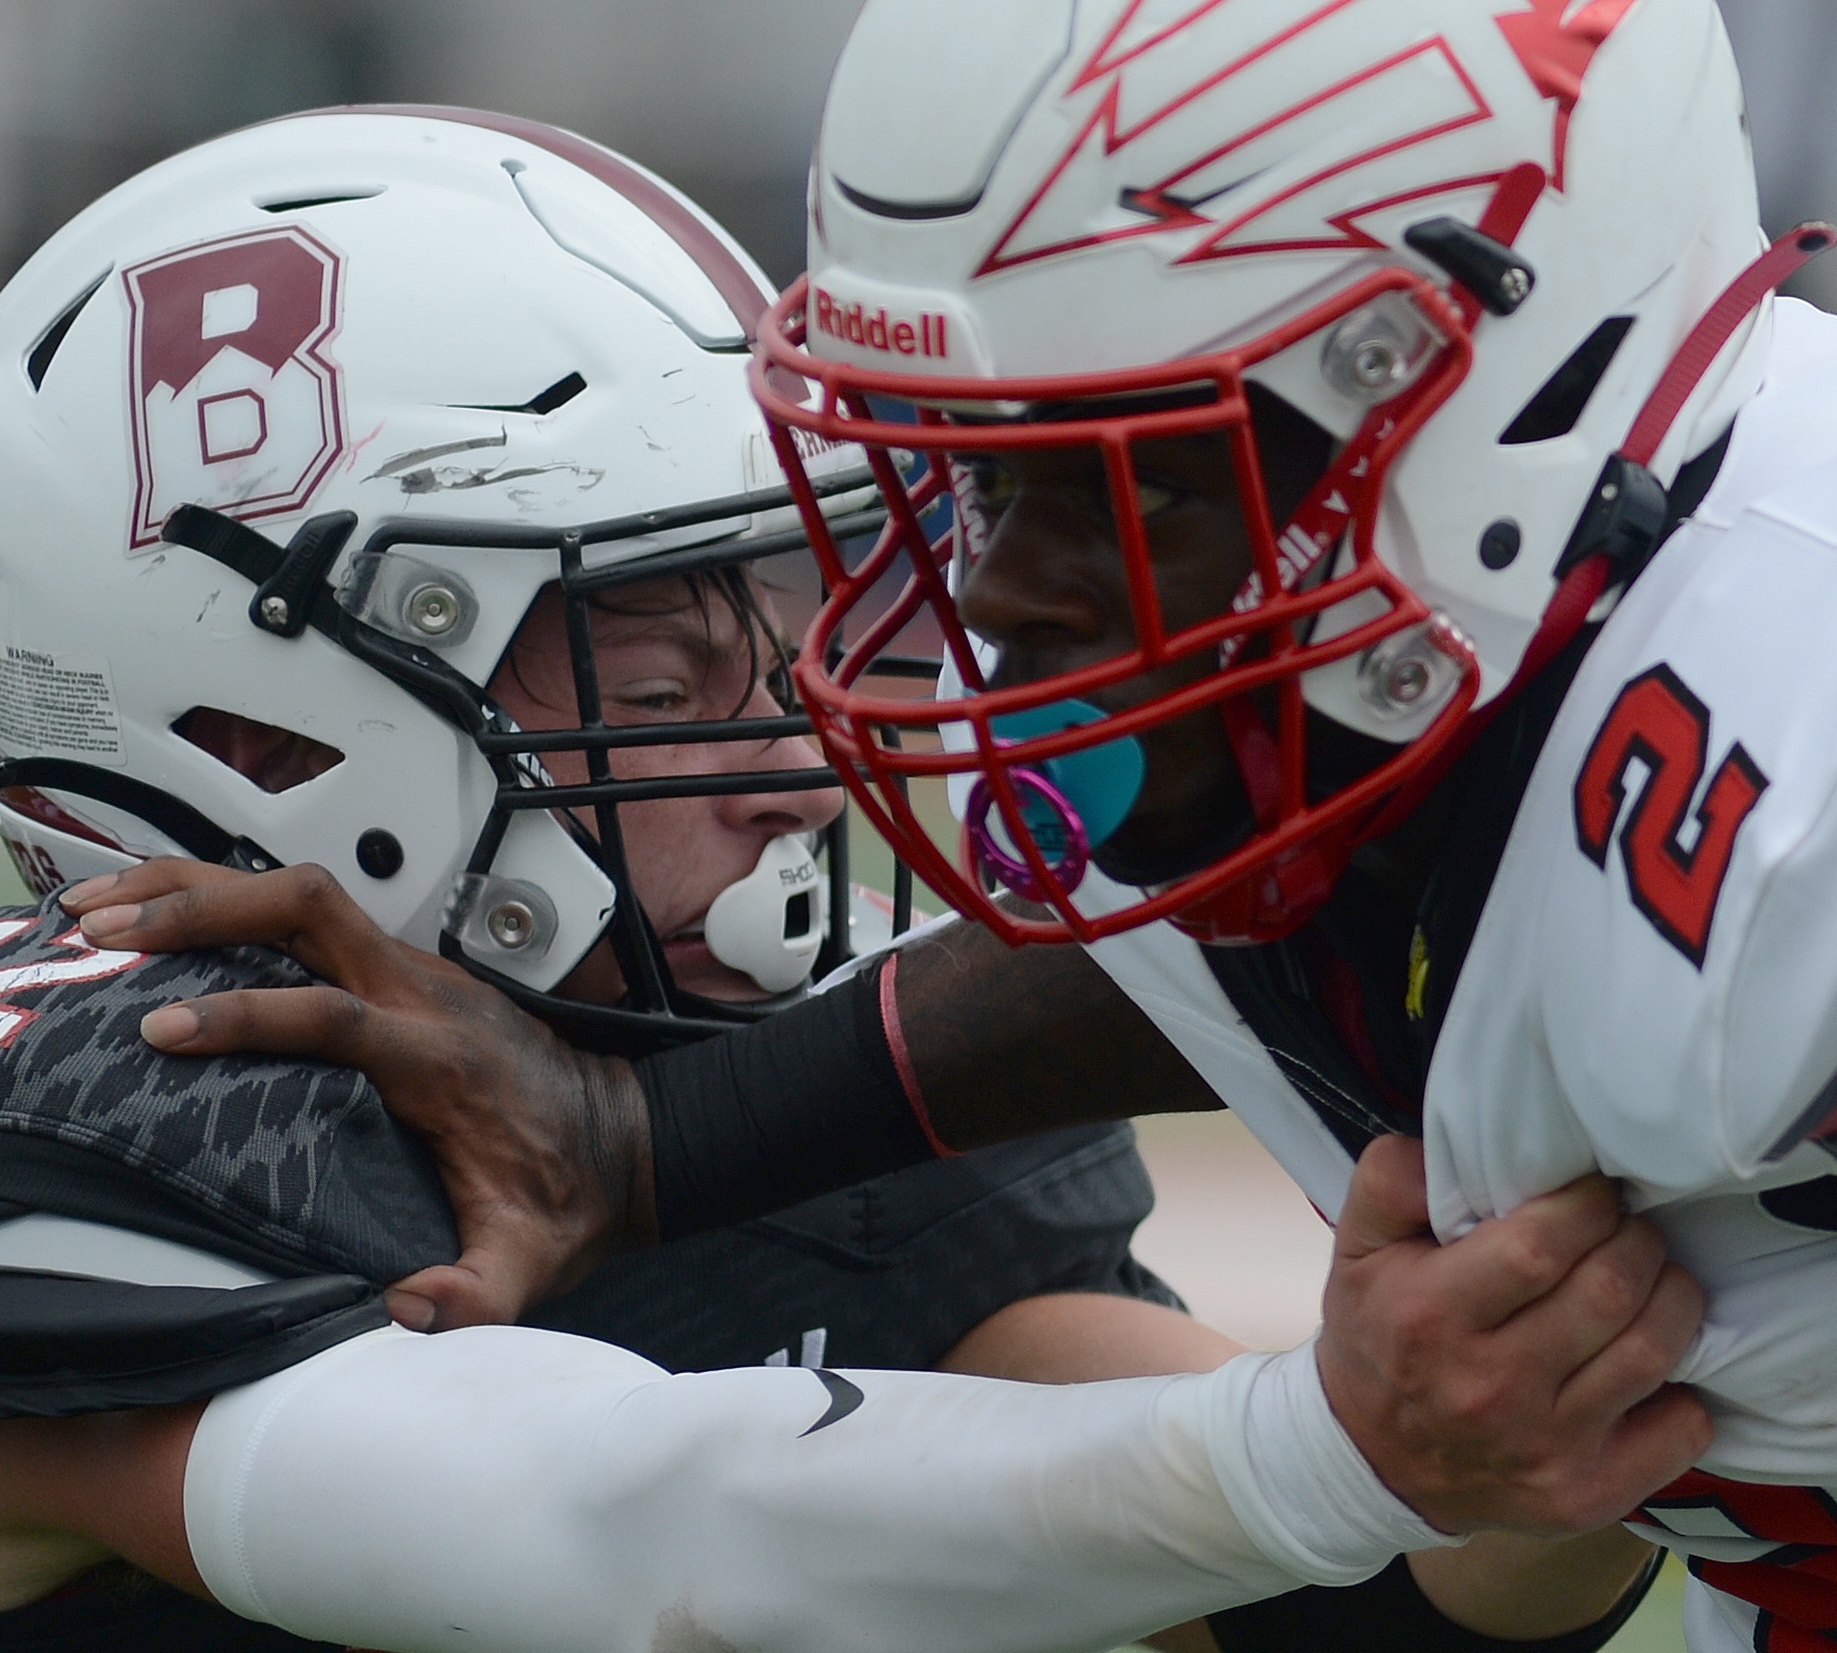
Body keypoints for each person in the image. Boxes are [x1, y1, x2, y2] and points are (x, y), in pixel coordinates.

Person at [6, 1, 1837, 1648]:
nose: (968, 598)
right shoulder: (1375, 675)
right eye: (960, 477)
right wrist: (672, 1135)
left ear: (1452, 400)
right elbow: (1211, 938)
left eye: (1080, 478)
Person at [0, 105, 1682, 1652]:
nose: (804, 772)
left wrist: (1572, 1385)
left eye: (793, 660)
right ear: (265, 747)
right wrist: (1322, 1456)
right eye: (655, 696)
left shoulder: (753, 1079)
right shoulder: (117, 1097)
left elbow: (1350, 1613)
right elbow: (603, 1529)